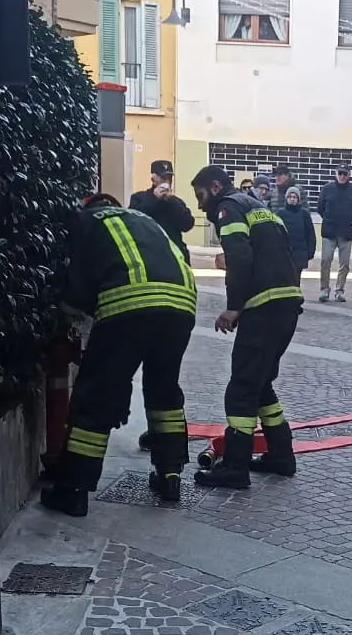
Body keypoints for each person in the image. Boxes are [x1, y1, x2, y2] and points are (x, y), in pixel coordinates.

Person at [40, 194, 196, 518]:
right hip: (181, 305)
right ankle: (170, 476)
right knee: (163, 389)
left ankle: (74, 490)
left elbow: (78, 283)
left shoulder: (85, 222)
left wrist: (63, 315)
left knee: (97, 395)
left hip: (130, 305)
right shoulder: (143, 220)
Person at [190, 165, 302, 487]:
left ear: (214, 188)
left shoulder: (228, 207)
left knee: (241, 388)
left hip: (263, 308)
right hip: (286, 304)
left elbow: (240, 257)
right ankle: (281, 456)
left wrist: (233, 308)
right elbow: (276, 252)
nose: (200, 206)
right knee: (261, 384)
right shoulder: (261, 208)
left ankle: (235, 467)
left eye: (200, 196)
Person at [129, 161, 195, 264]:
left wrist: (172, 201)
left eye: (169, 178)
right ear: (153, 179)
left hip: (174, 256)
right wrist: (153, 199)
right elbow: (133, 222)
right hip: (148, 256)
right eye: (164, 178)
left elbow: (187, 224)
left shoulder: (176, 202)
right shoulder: (139, 198)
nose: (167, 181)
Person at [317, 162, 352, 303]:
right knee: (325, 261)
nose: (342, 176)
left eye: (345, 173)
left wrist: (348, 221)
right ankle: (324, 289)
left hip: (346, 232)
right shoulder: (327, 189)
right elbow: (320, 208)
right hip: (329, 231)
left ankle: (339, 290)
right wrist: (329, 219)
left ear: (349, 175)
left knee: (345, 264)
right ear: (336, 174)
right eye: (340, 173)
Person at [275, 184, 316, 286]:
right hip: (285, 252)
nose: (292, 199)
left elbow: (310, 234)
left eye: (294, 197)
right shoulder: (280, 214)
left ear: (298, 199)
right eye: (290, 197)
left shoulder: (304, 214)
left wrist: (310, 251)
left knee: (296, 278)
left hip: (300, 252)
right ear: (286, 198)